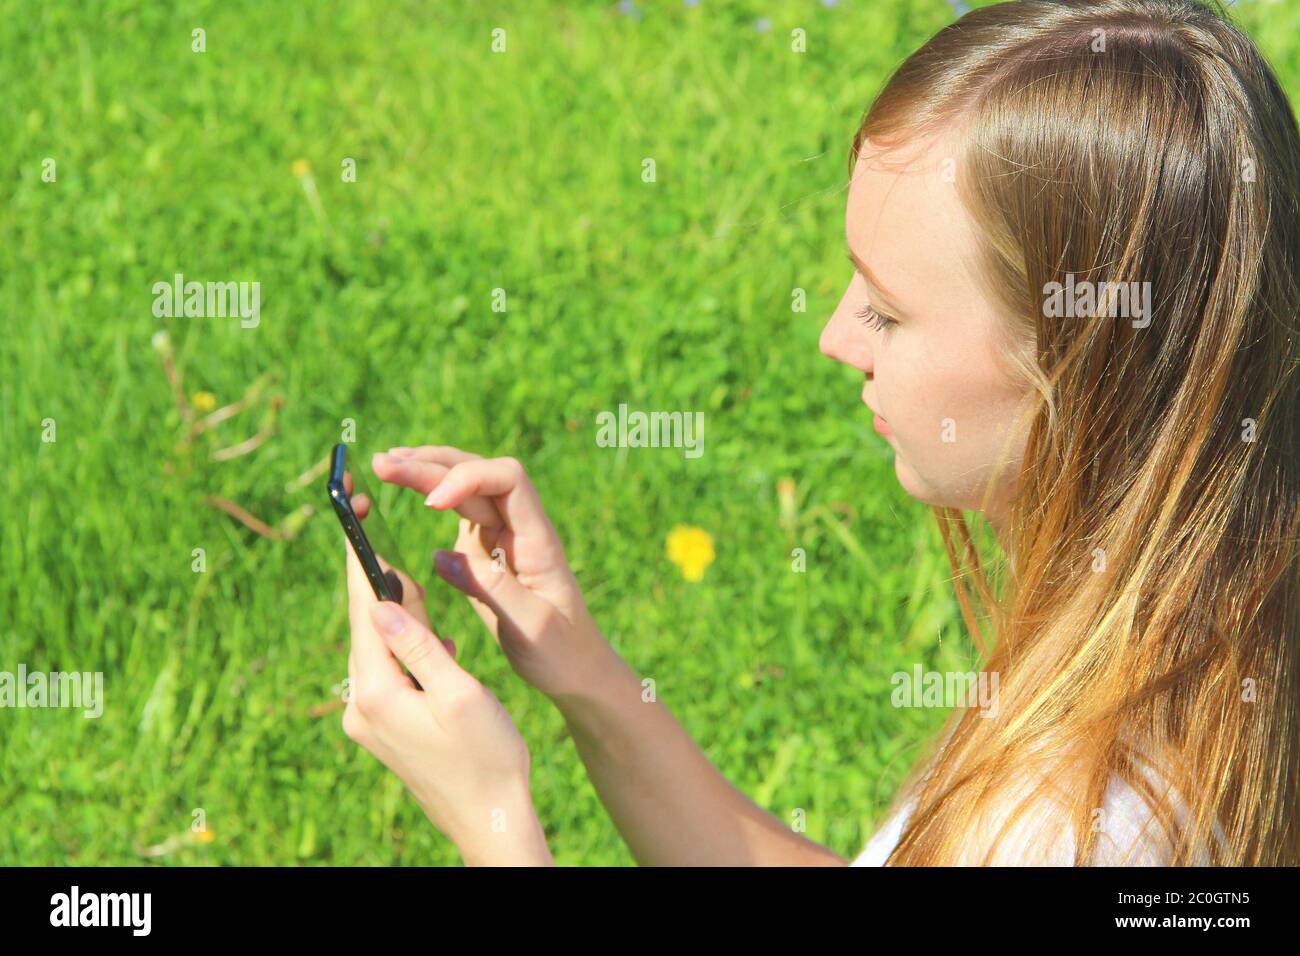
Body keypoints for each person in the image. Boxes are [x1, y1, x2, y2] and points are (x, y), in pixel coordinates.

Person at [340, 0, 1300, 866]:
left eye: (886, 309)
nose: (835, 338)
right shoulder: (1179, 658)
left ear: (1079, 360)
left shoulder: (1080, 827)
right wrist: (583, 669)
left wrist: (494, 821)